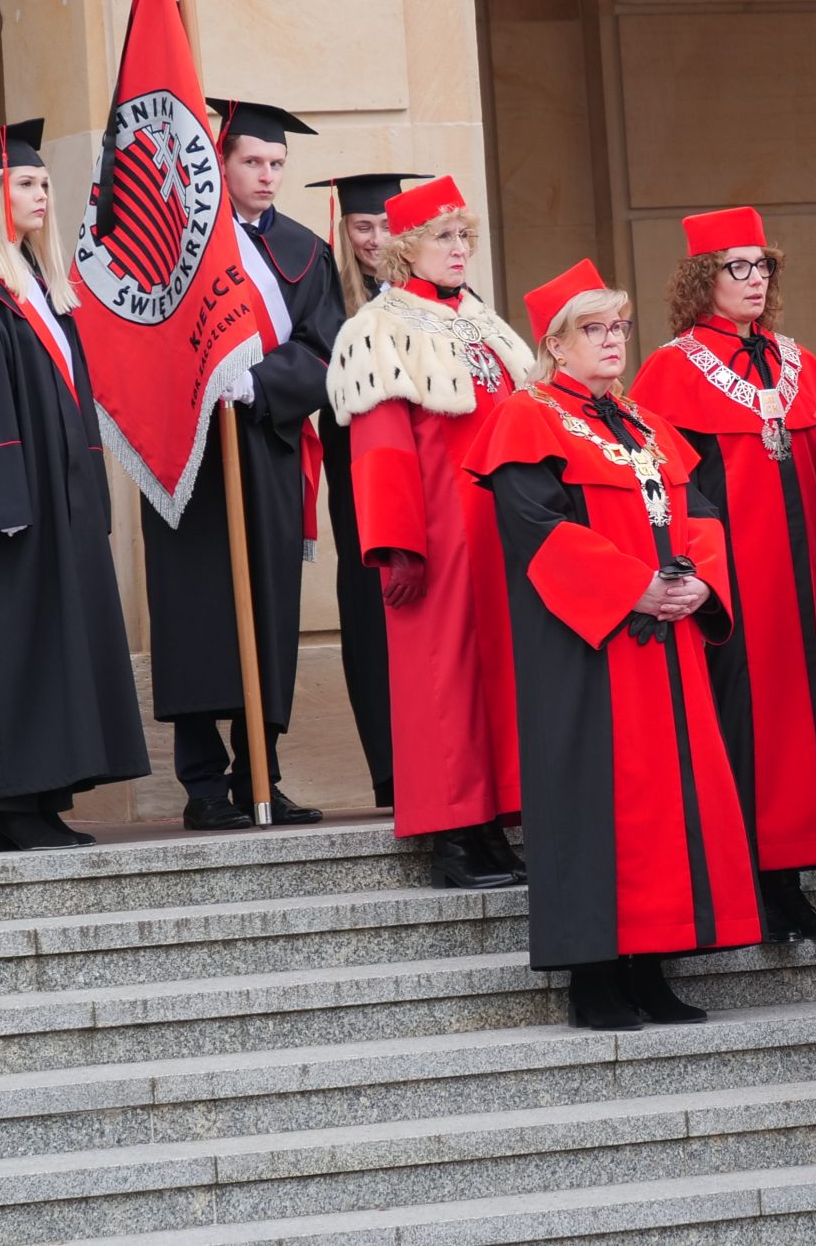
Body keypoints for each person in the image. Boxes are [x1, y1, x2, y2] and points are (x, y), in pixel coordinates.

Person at [466, 259, 760, 1030]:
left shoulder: (644, 423)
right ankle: (594, 977)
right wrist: (634, 586)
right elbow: (537, 530)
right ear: (556, 344)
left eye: (619, 328)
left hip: (665, 645)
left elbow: (698, 512)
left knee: (665, 802)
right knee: (595, 802)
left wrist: (699, 581)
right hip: (587, 647)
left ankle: (652, 965)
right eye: (593, 330)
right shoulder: (525, 417)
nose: (612, 342)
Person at [631, 206, 816, 940]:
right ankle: (757, 883)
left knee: (811, 720)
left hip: (808, 576)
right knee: (749, 721)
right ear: (701, 279)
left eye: (762, 266)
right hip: (736, 580)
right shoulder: (672, 368)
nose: (753, 280)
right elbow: (680, 484)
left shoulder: (797, 359)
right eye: (736, 267)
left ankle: (795, 875)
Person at [0, 119, 149, 848]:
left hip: (52, 500)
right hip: (10, 509)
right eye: (25, 183)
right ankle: (9, 812)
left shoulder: (33, 283)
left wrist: (81, 493)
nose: (42, 193)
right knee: (8, 648)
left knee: (53, 645)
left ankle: (43, 800)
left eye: (46, 183)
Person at [327, 176, 533, 888]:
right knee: (442, 685)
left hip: (500, 531)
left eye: (465, 236)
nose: (459, 249)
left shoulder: (480, 317)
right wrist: (395, 544)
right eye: (444, 237)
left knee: (496, 681)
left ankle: (494, 824)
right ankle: (453, 836)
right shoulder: (379, 328)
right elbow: (381, 447)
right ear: (408, 247)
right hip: (437, 536)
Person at [141, 98, 341, 830]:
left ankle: (262, 772)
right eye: (253, 161)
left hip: (269, 441)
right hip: (189, 447)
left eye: (277, 164)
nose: (267, 175)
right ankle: (200, 783)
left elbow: (327, 349)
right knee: (198, 611)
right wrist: (202, 374)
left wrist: (260, 381)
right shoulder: (177, 244)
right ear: (221, 164)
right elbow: (142, 339)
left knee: (268, 607)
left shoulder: (304, 250)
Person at [309, 171, 422, 809]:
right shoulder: (329, 295)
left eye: (385, 225)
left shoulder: (431, 295)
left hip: (426, 472)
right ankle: (389, 770)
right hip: (360, 472)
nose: (376, 239)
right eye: (362, 227)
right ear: (344, 231)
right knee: (370, 608)